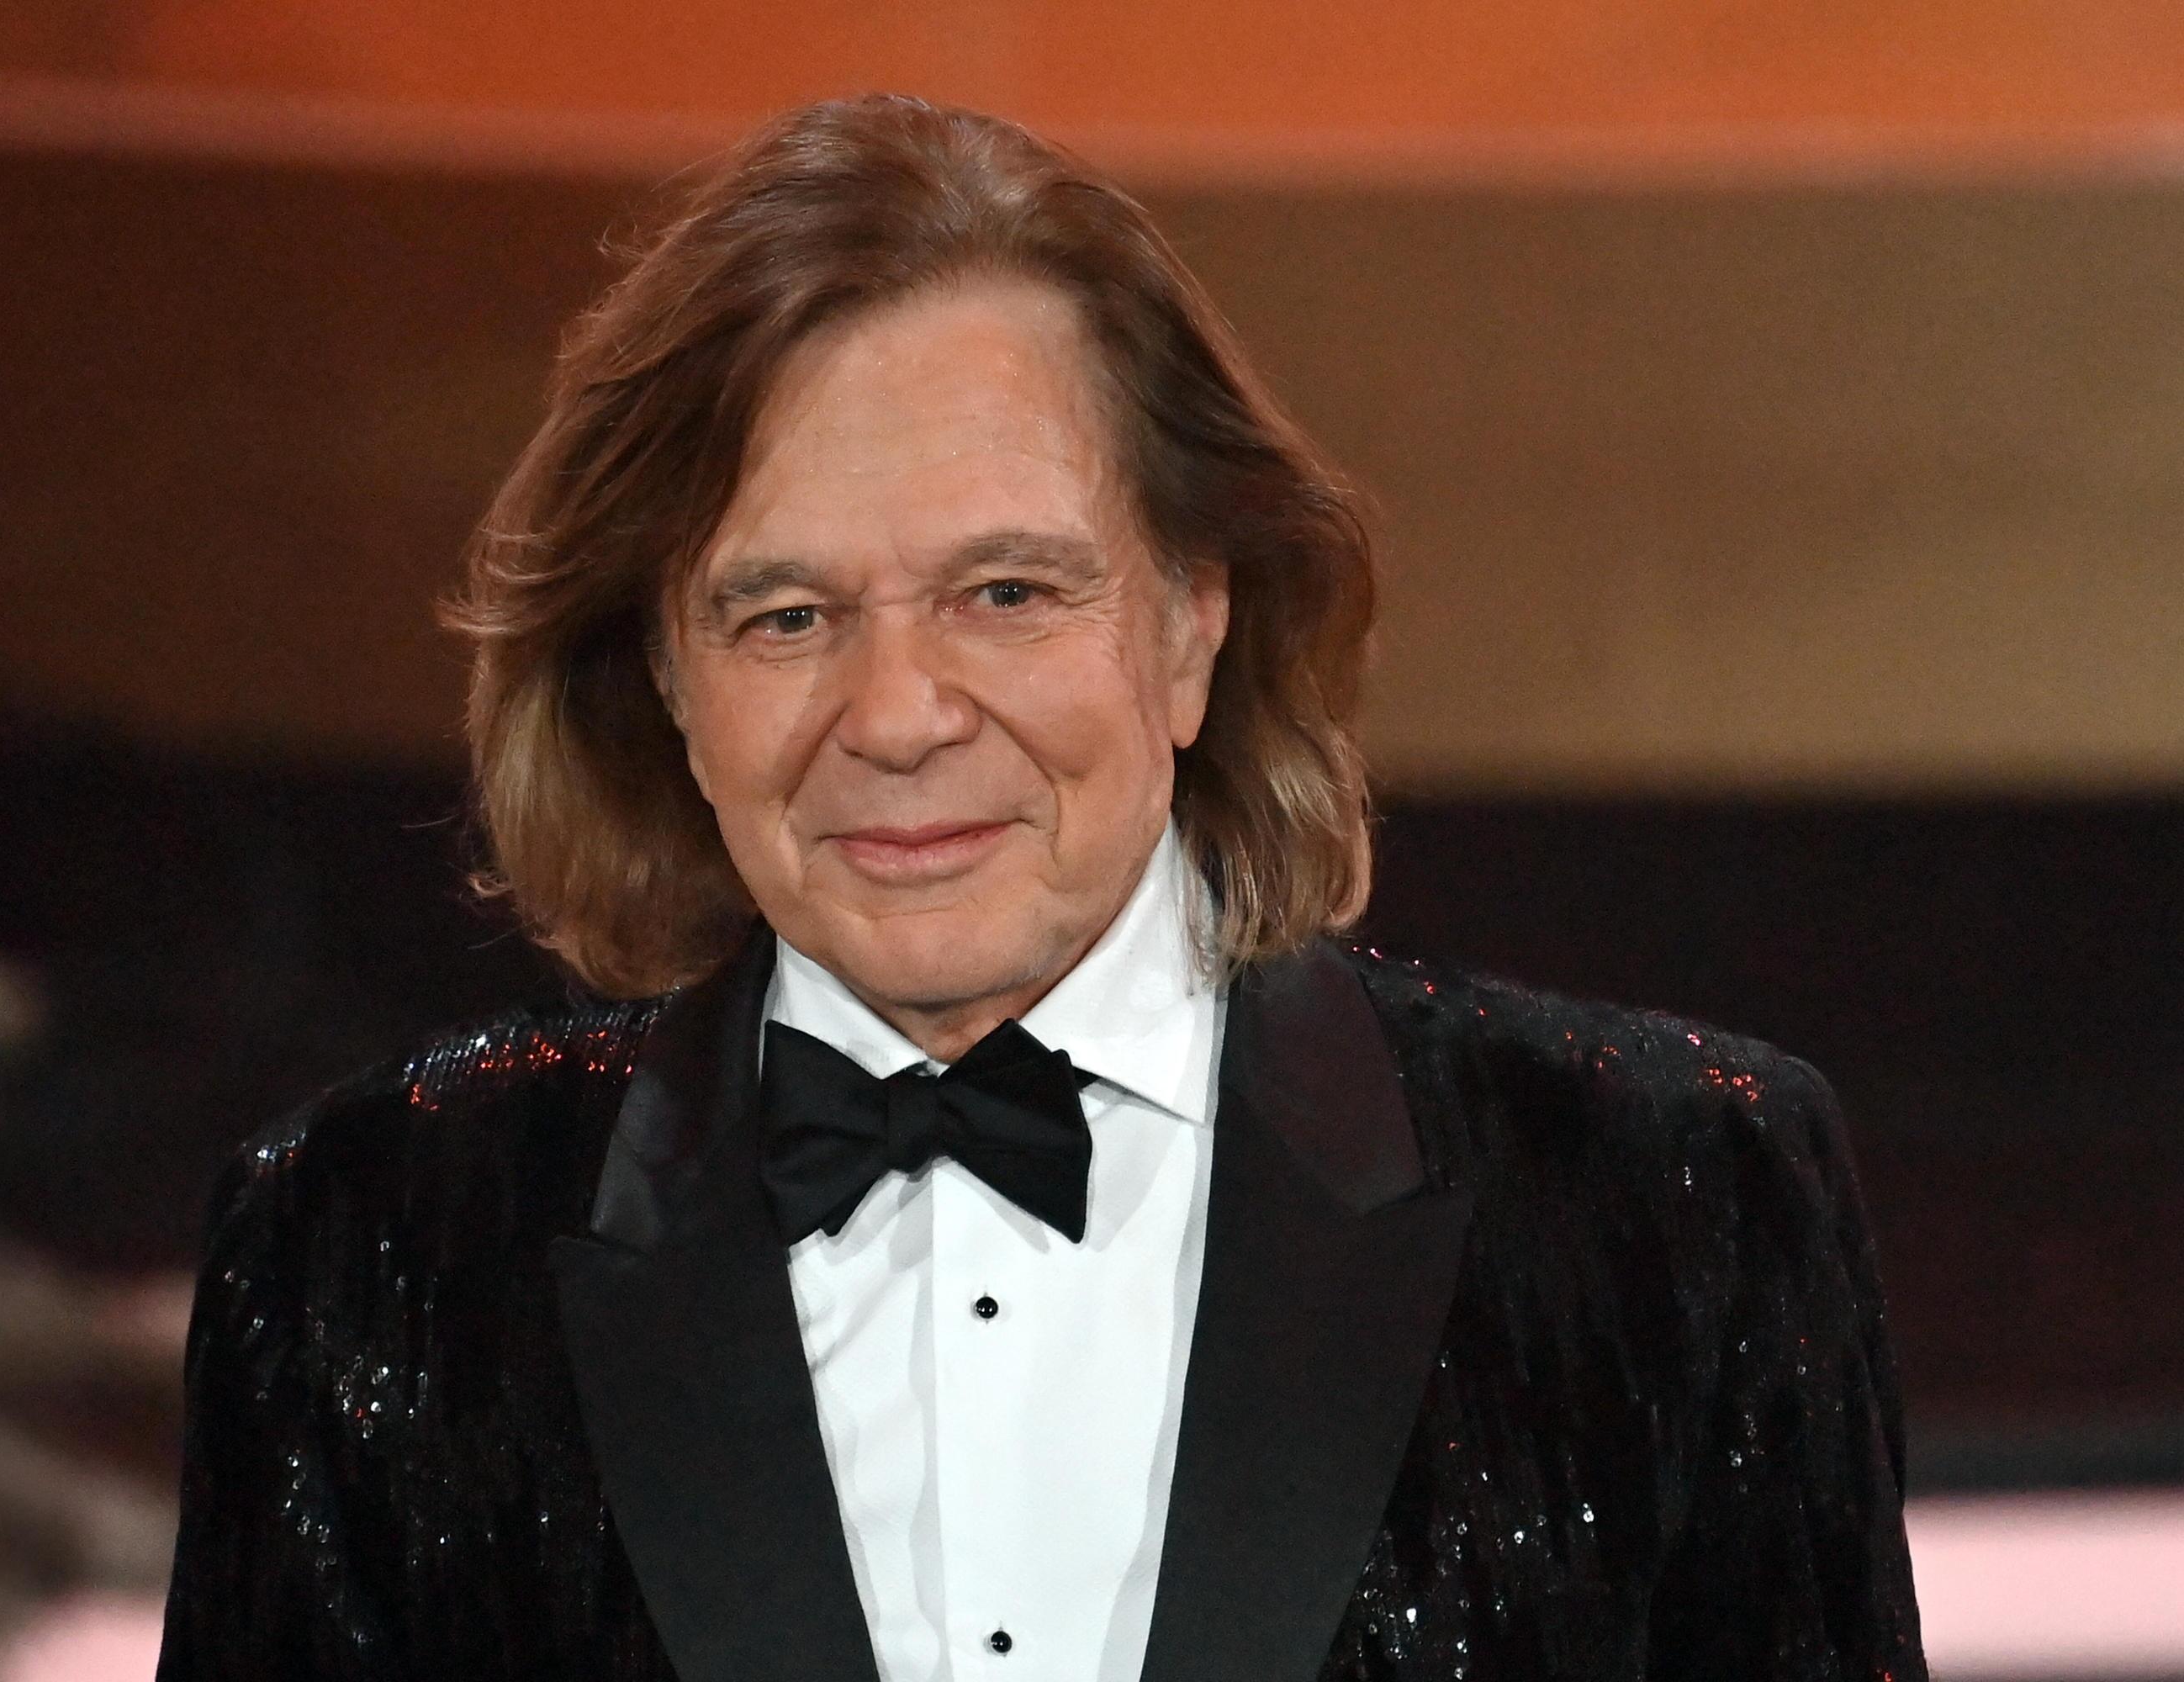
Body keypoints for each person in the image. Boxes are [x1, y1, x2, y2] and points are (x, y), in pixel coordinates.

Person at [154, 94, 1925, 1682]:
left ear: (1193, 621)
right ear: (669, 681)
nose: (899, 716)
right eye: (787, 616)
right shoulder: (366, 1248)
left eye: (1006, 594)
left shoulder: (1674, 1202)